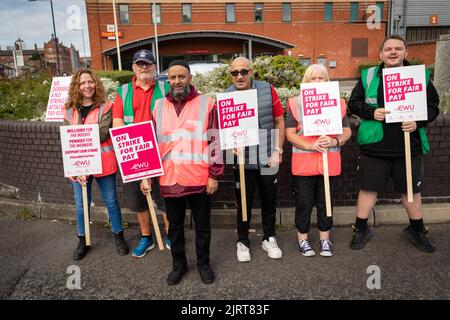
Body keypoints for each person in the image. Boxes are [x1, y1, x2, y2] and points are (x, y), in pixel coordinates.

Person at [348, 35, 440, 253]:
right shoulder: (369, 76)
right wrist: (372, 112)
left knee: (411, 192)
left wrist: (417, 121)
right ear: (381, 54)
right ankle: (360, 229)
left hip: (409, 146)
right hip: (374, 147)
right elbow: (353, 103)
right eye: (388, 48)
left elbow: (433, 106)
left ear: (406, 52)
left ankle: (417, 230)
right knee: (368, 190)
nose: (393, 52)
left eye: (398, 48)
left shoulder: (420, 77)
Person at [145, 60, 224, 285]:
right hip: (170, 178)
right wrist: (147, 175)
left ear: (190, 78)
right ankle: (178, 265)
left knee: (202, 226)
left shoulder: (206, 104)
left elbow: (215, 140)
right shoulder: (158, 107)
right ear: (167, 80)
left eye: (181, 76)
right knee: (175, 227)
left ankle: (203, 264)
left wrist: (214, 174)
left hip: (199, 179)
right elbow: (152, 144)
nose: (177, 81)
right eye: (173, 77)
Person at [286, 64, 352, 257]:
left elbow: (347, 131)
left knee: (326, 203)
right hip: (303, 165)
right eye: (312, 78)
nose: (317, 81)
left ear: (327, 80)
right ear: (306, 81)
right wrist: (309, 146)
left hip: (329, 163)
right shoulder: (296, 103)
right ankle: (303, 240)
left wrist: (335, 140)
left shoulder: (338, 103)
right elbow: (290, 134)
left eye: (321, 78)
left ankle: (325, 239)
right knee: (304, 203)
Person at [63, 69, 129, 260]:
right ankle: (82, 239)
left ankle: (119, 235)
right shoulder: (67, 109)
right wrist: (78, 164)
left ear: (96, 84)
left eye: (90, 82)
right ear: (77, 86)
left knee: (111, 201)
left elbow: (102, 133)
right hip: (78, 164)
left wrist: (81, 140)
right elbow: (67, 137)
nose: (87, 86)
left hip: (103, 162)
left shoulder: (106, 106)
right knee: (81, 204)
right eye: (83, 83)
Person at [225, 57, 285, 262]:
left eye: (243, 71)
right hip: (243, 159)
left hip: (268, 156)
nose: (239, 76)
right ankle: (242, 241)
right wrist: (229, 146)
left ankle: (269, 237)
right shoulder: (226, 96)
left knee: (269, 199)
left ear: (251, 72)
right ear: (230, 74)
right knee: (243, 203)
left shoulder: (268, 89)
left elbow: (279, 120)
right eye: (235, 73)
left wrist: (278, 149)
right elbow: (225, 130)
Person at [112, 49, 171, 258]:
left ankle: (170, 234)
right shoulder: (124, 91)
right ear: (133, 68)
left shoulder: (166, 87)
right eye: (140, 64)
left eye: (148, 64)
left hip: (162, 152)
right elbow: (117, 121)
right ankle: (146, 237)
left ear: (155, 67)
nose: (144, 67)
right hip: (135, 153)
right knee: (138, 198)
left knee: (165, 196)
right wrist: (133, 144)